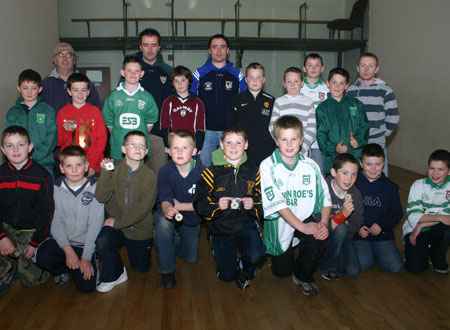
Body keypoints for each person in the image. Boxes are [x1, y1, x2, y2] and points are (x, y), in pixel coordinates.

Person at [260, 115, 331, 296]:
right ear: (276, 141)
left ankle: (303, 275)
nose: (289, 144)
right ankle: (281, 254)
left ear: (301, 141)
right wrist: (302, 227)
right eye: (284, 139)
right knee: (282, 273)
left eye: (294, 139)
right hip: (280, 220)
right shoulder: (267, 165)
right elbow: (278, 204)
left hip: (304, 216)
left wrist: (323, 224)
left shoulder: (311, 165)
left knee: (318, 235)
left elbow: (325, 198)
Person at [194, 127, 265, 290]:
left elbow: (265, 200)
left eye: (238, 142)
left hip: (246, 224)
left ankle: (245, 268)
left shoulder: (254, 170)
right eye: (229, 142)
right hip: (221, 228)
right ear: (221, 145)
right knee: (227, 277)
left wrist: (253, 203)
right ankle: (226, 263)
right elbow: (198, 202)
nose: (233, 147)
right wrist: (216, 205)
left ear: (246, 145)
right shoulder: (210, 172)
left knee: (257, 254)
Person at [95, 131, 157, 293]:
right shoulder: (114, 170)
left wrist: (118, 222)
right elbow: (101, 197)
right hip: (118, 226)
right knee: (102, 241)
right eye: (132, 144)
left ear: (146, 151)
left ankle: (139, 252)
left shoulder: (150, 176)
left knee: (141, 268)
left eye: (141, 145)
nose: (137, 148)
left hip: (140, 230)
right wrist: (105, 173)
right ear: (123, 149)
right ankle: (115, 274)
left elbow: (142, 210)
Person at [35, 146, 104, 293]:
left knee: (87, 288)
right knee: (42, 256)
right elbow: (55, 222)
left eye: (78, 165)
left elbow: (95, 224)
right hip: (63, 243)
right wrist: (68, 251)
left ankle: (90, 260)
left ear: (86, 167)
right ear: (61, 168)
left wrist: (85, 257)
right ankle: (65, 269)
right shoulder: (55, 189)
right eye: (68, 166)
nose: (74, 170)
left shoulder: (95, 187)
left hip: (85, 245)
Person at [0, 126, 54, 296]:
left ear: (30, 147)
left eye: (20, 144)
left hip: (30, 230)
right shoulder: (1, 174)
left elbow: (47, 213)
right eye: (9, 146)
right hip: (6, 226)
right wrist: (1, 237)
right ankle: (6, 269)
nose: (15, 150)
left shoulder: (41, 176)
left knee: (31, 281)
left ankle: (37, 266)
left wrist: (34, 243)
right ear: (3, 150)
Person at [155, 130, 205, 288]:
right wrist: (168, 207)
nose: (180, 152)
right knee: (162, 222)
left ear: (194, 151)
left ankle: (171, 239)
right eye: (175, 148)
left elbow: (205, 204)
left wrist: (181, 206)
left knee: (191, 257)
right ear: (169, 151)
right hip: (171, 213)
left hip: (191, 219)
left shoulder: (204, 172)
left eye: (185, 148)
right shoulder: (165, 171)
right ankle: (166, 271)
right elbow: (164, 196)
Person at [190, 34, 247, 167]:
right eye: (215, 47)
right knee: (202, 170)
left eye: (222, 47)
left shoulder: (237, 75)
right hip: (205, 131)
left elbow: (243, 104)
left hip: (228, 132)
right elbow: (192, 103)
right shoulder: (199, 74)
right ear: (209, 50)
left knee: (227, 169)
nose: (219, 51)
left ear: (228, 50)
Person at [346, 53, 400, 176]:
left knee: (380, 179)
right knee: (355, 178)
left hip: (377, 142)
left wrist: (382, 135)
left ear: (377, 69)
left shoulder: (385, 90)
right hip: (356, 144)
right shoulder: (350, 91)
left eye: (370, 66)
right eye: (363, 65)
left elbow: (393, 116)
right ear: (357, 68)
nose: (366, 69)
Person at [353, 143, 403, 273]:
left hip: (382, 233)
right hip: (359, 234)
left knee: (395, 267)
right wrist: (357, 228)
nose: (373, 169)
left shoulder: (390, 187)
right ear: (361, 164)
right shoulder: (353, 183)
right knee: (363, 264)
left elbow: (396, 213)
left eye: (378, 164)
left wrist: (381, 225)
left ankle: (377, 252)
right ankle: (370, 252)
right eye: (369, 164)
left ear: (384, 163)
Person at [102, 55, 158, 162]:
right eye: (129, 70)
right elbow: (109, 122)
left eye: (137, 71)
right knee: (119, 178)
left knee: (140, 178)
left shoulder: (147, 97)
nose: (133, 74)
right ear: (122, 72)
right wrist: (119, 134)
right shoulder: (113, 96)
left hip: (140, 151)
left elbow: (150, 122)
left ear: (141, 74)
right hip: (118, 150)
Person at [403, 149, 450, 275]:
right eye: (431, 168)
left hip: (431, 227)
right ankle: (425, 252)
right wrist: (439, 217)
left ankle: (438, 257)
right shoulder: (418, 185)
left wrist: (422, 224)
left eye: (441, 169)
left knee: (447, 228)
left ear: (449, 171)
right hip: (414, 230)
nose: (435, 173)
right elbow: (414, 215)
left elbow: (448, 219)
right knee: (415, 268)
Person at [316, 67, 370, 175]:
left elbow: (364, 126)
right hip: (333, 160)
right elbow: (321, 135)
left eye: (341, 83)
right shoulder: (322, 109)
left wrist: (358, 141)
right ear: (328, 83)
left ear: (346, 86)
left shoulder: (356, 104)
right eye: (334, 82)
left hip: (354, 157)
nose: (337, 86)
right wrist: (334, 148)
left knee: (353, 190)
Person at [319, 153, 364, 280]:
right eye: (345, 173)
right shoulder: (323, 190)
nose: (349, 179)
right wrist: (342, 216)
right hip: (322, 238)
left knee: (352, 270)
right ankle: (329, 266)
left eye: (354, 174)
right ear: (333, 172)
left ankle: (328, 258)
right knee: (341, 227)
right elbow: (319, 223)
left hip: (345, 238)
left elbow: (356, 225)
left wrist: (334, 219)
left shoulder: (355, 195)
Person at [5, 69, 57, 177]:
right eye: (25, 88)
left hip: (43, 163)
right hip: (18, 164)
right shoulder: (13, 113)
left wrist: (34, 155)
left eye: (33, 88)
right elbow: (7, 139)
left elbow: (51, 138)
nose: (29, 92)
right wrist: (21, 156)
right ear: (19, 88)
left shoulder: (47, 111)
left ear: (40, 89)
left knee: (47, 193)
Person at [135, 28, 173, 174]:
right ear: (140, 47)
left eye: (153, 45)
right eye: (146, 45)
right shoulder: (132, 70)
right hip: (136, 133)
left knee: (160, 176)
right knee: (136, 177)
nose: (150, 49)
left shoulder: (168, 71)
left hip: (159, 135)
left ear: (159, 47)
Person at [57, 73, 107, 175]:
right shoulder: (62, 113)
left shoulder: (95, 111)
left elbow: (102, 140)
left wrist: (92, 164)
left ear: (88, 92)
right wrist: (67, 131)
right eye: (75, 90)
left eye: (83, 90)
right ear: (69, 91)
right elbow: (59, 141)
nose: (80, 94)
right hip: (70, 165)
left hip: (92, 163)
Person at [227, 62, 275, 165]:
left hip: (265, 150)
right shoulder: (237, 100)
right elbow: (230, 125)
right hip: (242, 150)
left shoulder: (271, 101)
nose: (255, 80)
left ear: (264, 80)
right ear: (246, 79)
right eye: (251, 77)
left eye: (258, 77)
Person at [41, 42, 102, 115]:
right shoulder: (45, 85)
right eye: (60, 55)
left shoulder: (87, 84)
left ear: (74, 60)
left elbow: (97, 112)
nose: (65, 58)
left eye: (69, 55)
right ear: (54, 60)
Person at [269, 67, 316, 159]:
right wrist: (283, 146)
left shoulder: (309, 102)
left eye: (296, 81)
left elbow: (312, 130)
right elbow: (272, 127)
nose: (292, 85)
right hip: (282, 152)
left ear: (302, 83)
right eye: (289, 81)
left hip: (303, 153)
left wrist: (300, 149)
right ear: (284, 84)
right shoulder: (279, 102)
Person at [160, 65, 205, 151]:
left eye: (183, 80)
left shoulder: (197, 102)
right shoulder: (168, 102)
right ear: (172, 83)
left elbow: (200, 126)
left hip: (191, 145)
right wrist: (168, 144)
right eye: (176, 81)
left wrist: (197, 146)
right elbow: (165, 125)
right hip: (174, 145)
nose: (180, 83)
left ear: (189, 81)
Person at [300, 53, 329, 172]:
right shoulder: (298, 87)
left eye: (317, 65)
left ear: (322, 68)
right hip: (300, 140)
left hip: (318, 143)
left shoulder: (327, 89)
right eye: (310, 65)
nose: (313, 68)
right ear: (304, 68)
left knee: (318, 174)